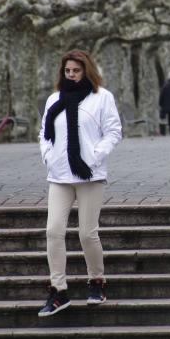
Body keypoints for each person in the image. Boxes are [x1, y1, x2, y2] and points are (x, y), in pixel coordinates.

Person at [38, 49, 122, 317]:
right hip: (60, 175)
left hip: (89, 174)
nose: (71, 75)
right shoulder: (54, 99)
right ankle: (58, 290)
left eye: (76, 71)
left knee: (87, 233)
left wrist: (96, 156)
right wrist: (48, 156)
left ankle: (97, 281)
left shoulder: (102, 97)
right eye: (67, 71)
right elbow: (44, 133)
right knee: (53, 231)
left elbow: (113, 131)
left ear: (86, 70)